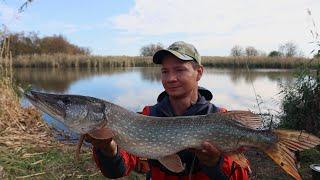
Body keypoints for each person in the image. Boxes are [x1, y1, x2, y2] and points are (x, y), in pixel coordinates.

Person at [85, 41, 250, 180]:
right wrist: (109, 150)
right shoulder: (148, 116)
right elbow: (117, 171)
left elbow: (242, 175)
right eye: (165, 71)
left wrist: (216, 162)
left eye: (179, 70)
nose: (170, 78)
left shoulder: (219, 117)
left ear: (198, 73)